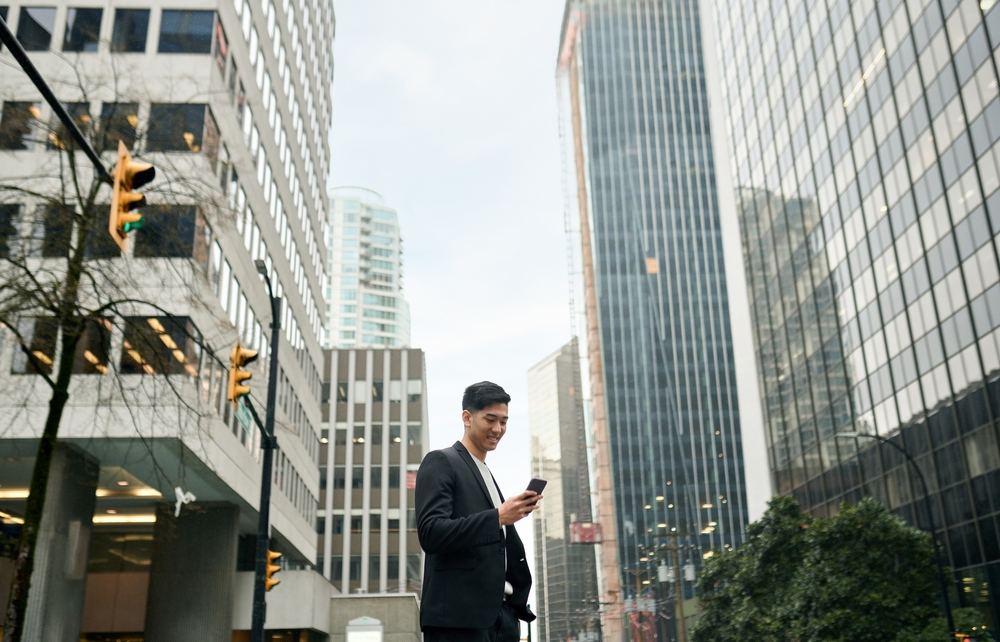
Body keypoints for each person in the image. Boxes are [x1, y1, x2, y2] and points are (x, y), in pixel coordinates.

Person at [415, 381, 540, 642]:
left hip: (501, 619)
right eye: (490, 419)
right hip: (458, 621)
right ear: (467, 417)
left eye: (504, 422)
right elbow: (431, 533)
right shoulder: (441, 461)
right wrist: (498, 518)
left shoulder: (488, 476)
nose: (498, 429)